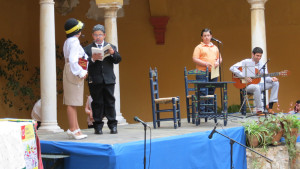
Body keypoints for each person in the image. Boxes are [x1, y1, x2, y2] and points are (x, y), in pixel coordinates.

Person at [84, 24, 121, 135]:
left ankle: (113, 125)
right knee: (97, 103)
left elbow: (118, 59)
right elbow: (83, 64)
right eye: (96, 35)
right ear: (92, 35)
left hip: (109, 79)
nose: (98, 37)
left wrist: (113, 53)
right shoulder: (87, 49)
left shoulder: (111, 47)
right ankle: (98, 126)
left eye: (100, 34)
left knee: (110, 102)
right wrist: (92, 59)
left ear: (104, 35)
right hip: (95, 80)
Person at [230, 47, 279, 115]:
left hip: (258, 84)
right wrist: (243, 76)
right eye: (257, 55)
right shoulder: (246, 62)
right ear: (253, 54)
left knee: (275, 83)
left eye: (260, 56)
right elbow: (232, 68)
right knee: (256, 87)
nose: (259, 58)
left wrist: (271, 79)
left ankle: (270, 106)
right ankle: (259, 110)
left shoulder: (262, 64)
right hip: (247, 86)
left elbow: (266, 77)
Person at [63, 18, 88, 139]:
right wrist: (80, 72)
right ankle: (73, 129)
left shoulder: (70, 41)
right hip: (74, 71)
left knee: (74, 101)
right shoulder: (74, 42)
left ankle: (76, 128)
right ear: (77, 31)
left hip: (71, 70)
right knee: (72, 102)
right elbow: (73, 60)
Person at [192, 28, 222, 112]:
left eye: (208, 35)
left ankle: (209, 110)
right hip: (202, 72)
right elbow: (195, 59)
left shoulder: (215, 47)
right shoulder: (199, 47)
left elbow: (220, 58)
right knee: (203, 91)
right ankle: (202, 111)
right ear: (201, 37)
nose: (206, 37)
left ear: (211, 36)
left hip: (213, 71)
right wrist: (205, 64)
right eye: (204, 36)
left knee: (212, 90)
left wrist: (217, 62)